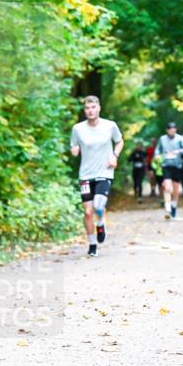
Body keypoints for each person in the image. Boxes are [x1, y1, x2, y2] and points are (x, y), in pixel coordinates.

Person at [69, 96, 123, 257]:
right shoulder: (78, 129)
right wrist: (74, 150)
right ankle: (92, 244)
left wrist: (114, 156)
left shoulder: (110, 125)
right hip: (85, 174)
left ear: (99, 108)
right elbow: (73, 145)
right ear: (84, 110)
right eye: (87, 108)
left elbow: (119, 141)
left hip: (104, 172)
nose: (90, 111)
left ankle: (100, 222)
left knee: (99, 205)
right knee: (87, 212)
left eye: (93, 107)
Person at [154, 122, 183, 219]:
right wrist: (157, 155)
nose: (172, 131)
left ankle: (174, 205)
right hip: (166, 165)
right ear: (167, 130)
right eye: (170, 130)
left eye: (174, 130)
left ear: (176, 130)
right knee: (167, 187)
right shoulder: (162, 139)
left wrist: (178, 151)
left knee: (176, 189)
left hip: (177, 166)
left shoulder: (180, 138)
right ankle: (167, 209)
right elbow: (157, 150)